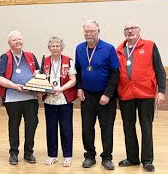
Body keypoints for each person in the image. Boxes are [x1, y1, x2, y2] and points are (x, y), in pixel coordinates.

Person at [116, 22, 166, 172]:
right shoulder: (119, 50)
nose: (130, 31)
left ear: (139, 30)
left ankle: (147, 160)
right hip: (126, 93)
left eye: (133, 28)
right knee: (128, 127)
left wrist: (161, 91)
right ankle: (132, 158)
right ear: (124, 32)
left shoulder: (150, 45)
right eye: (127, 29)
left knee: (146, 126)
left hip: (146, 93)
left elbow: (159, 70)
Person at [75, 20, 119, 170]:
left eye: (92, 31)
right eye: (86, 31)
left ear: (98, 31)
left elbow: (115, 74)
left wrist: (107, 94)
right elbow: (78, 71)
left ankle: (107, 157)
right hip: (87, 96)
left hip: (106, 97)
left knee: (106, 127)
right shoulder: (79, 48)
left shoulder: (108, 48)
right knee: (87, 128)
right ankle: (89, 155)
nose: (89, 34)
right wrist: (79, 88)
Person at [0, 31, 39, 165]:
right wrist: (15, 86)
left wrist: (35, 85)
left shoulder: (30, 56)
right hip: (12, 99)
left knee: (31, 125)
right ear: (9, 43)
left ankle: (28, 152)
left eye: (20, 39)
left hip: (31, 98)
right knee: (14, 126)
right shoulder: (5, 57)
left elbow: (38, 73)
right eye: (15, 40)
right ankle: (14, 152)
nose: (18, 42)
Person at [42, 36, 77, 167]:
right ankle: (52, 155)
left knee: (66, 128)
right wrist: (46, 89)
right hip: (49, 100)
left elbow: (73, 80)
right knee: (51, 128)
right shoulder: (44, 61)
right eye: (53, 46)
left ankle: (67, 156)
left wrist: (60, 89)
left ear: (62, 48)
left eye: (57, 46)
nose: (55, 48)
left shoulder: (69, 61)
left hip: (64, 99)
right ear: (49, 48)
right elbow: (40, 79)